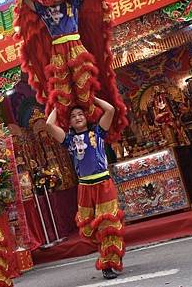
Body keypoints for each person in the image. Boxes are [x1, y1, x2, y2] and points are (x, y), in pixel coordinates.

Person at [46, 97, 125, 280]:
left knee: (108, 225)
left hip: (103, 184)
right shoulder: (69, 140)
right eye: (73, 116)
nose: (77, 117)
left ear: (86, 116)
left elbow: (110, 110)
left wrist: (92, 98)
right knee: (89, 227)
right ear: (69, 121)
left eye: (80, 114)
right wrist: (58, 106)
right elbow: (49, 125)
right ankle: (104, 254)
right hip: (84, 187)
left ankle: (108, 263)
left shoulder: (98, 131)